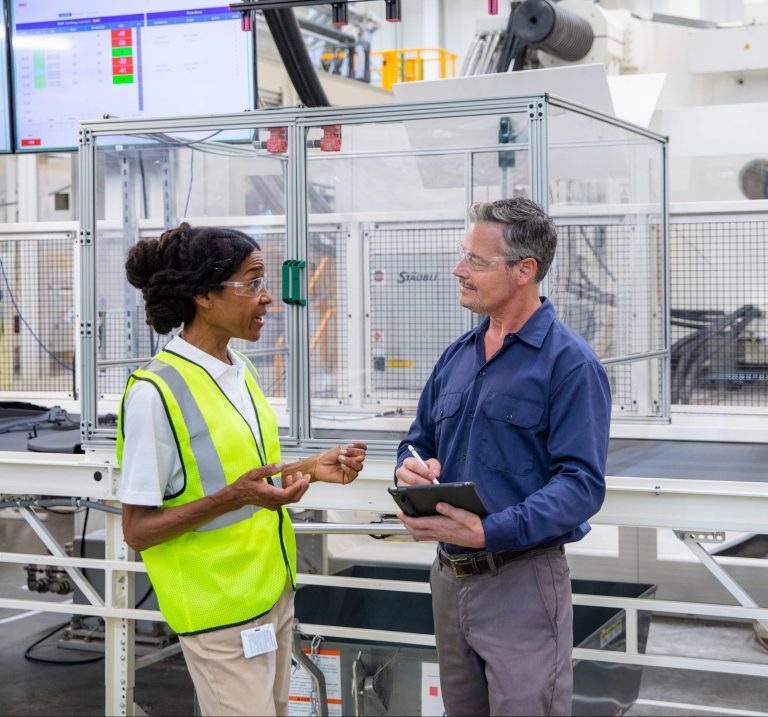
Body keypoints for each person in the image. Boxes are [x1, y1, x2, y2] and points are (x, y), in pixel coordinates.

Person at [116, 222, 367, 717]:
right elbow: (138, 530)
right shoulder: (154, 393)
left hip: (270, 597)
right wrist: (235, 497)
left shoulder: (240, 371)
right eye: (251, 284)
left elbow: (246, 478)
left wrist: (311, 468)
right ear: (205, 295)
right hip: (218, 612)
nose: (267, 298)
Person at [395, 198, 611, 717]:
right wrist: (410, 466)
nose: (458, 270)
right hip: (449, 578)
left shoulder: (570, 365)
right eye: (462, 255)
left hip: (521, 582)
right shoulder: (459, 355)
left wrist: (490, 532)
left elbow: (582, 485)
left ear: (524, 270)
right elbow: (416, 438)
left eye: (475, 260)